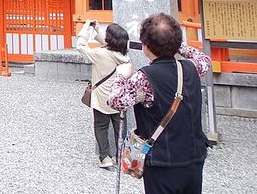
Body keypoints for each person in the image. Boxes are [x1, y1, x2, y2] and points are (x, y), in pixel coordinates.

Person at [109, 13, 211, 194]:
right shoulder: (191, 67)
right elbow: (204, 60)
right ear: (177, 42)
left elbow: (116, 100)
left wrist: (121, 76)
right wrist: (181, 48)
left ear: (145, 47)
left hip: (163, 162)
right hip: (194, 157)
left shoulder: (145, 77)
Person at [77, 19, 130, 169]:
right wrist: (98, 30)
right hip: (118, 97)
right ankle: (121, 156)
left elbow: (80, 46)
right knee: (120, 127)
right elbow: (108, 44)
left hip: (101, 98)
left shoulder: (100, 54)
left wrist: (85, 29)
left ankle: (105, 157)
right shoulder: (123, 55)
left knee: (101, 126)